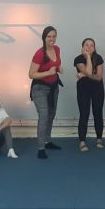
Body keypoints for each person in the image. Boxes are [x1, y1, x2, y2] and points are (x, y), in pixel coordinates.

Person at [29, 26, 63, 159]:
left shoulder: (57, 49)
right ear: (44, 38)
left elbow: (55, 64)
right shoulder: (39, 53)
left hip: (54, 86)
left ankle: (47, 141)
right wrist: (48, 72)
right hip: (40, 88)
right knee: (44, 115)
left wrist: (58, 68)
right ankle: (41, 148)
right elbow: (31, 74)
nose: (52, 39)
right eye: (49, 36)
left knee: (51, 114)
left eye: (54, 36)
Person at [74, 38, 105, 151]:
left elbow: (99, 77)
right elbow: (89, 71)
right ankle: (82, 141)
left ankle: (99, 139)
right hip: (83, 89)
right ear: (83, 47)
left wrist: (84, 74)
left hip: (97, 88)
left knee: (98, 113)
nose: (89, 47)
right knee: (84, 114)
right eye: (86, 45)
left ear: (94, 48)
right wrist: (87, 57)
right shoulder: (78, 59)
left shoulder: (99, 58)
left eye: (92, 45)